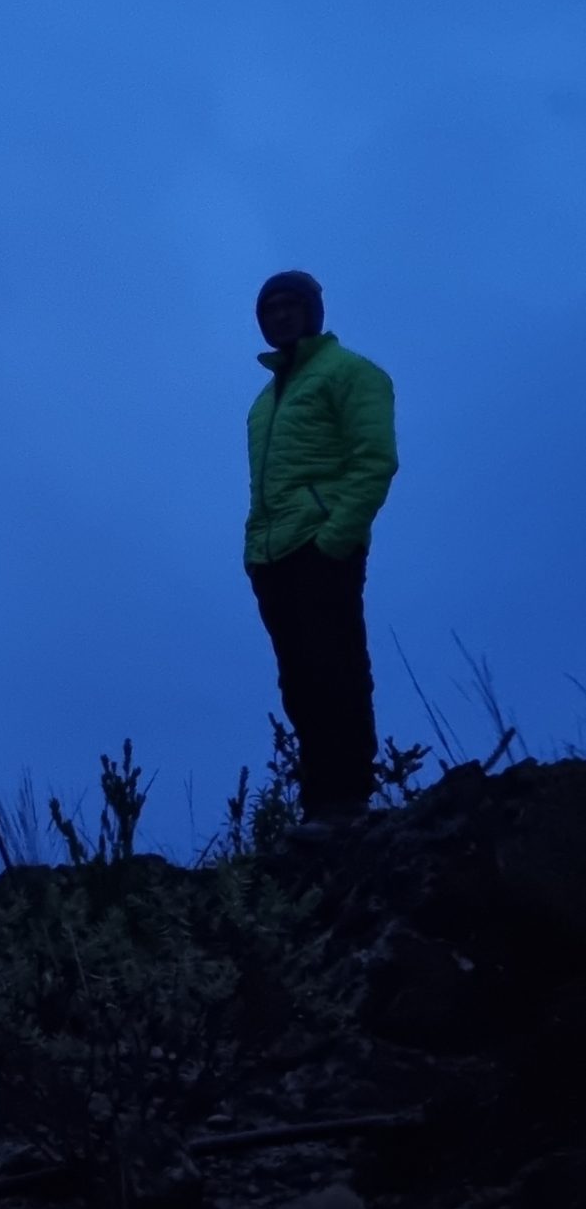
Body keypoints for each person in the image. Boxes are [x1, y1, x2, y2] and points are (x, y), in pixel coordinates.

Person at [246, 273, 398, 835]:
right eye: (269, 308)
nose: (280, 316)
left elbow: (375, 460)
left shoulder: (352, 373)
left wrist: (336, 538)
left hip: (319, 544)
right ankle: (320, 806)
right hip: (271, 554)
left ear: (313, 312)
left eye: (291, 305)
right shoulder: (266, 401)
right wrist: (254, 552)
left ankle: (347, 800)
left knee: (335, 667)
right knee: (299, 679)